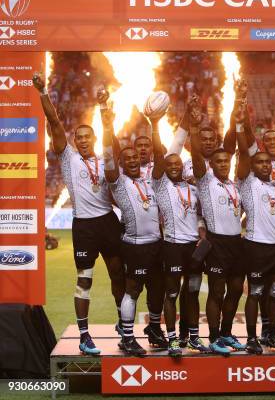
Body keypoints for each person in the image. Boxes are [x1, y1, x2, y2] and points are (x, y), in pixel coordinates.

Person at [34, 74, 124, 356]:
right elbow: (55, 123)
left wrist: (104, 108)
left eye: (87, 137)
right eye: (79, 137)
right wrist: (42, 92)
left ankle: (125, 323)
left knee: (118, 275)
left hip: (109, 221)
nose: (83, 141)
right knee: (84, 279)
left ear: (94, 138)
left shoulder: (105, 159)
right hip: (84, 226)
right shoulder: (68, 157)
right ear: (73, 141)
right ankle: (84, 335)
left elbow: (113, 142)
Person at [100, 100, 166, 356]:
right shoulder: (118, 183)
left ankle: (153, 328)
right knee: (133, 289)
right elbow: (107, 155)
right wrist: (107, 126)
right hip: (135, 245)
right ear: (120, 163)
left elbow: (160, 155)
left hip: (156, 244)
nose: (132, 160)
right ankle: (127, 336)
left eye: (135, 157)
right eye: (125, 158)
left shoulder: (150, 181)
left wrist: (156, 124)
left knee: (158, 288)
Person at [190, 95, 246, 356]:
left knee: (236, 290)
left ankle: (226, 332)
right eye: (219, 162)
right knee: (217, 291)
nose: (224, 164)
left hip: (237, 243)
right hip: (217, 243)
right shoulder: (205, 180)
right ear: (211, 164)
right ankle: (213, 337)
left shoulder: (234, 185)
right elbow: (195, 153)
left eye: (227, 161)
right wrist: (193, 126)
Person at [149, 105, 207, 357]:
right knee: (171, 293)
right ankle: (172, 339)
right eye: (168, 163)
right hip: (172, 246)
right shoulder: (160, 185)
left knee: (192, 292)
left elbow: (201, 215)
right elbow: (159, 152)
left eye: (177, 164)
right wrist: (155, 125)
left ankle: (193, 337)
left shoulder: (193, 187)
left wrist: (202, 233)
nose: (173, 166)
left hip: (193, 248)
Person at [236, 110, 275, 354]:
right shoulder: (247, 183)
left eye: (268, 162)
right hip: (256, 246)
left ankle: (271, 335)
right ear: (251, 165)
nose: (265, 165)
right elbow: (246, 148)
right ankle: (251, 337)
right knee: (256, 293)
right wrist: (241, 122)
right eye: (259, 162)